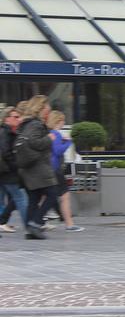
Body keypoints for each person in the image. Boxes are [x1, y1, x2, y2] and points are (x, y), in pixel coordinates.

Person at [17, 95, 58, 240]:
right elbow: (34, 142)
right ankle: (36, 223)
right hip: (38, 167)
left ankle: (30, 229)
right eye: (47, 106)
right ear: (41, 108)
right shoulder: (35, 124)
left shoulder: (26, 123)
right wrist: (49, 138)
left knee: (34, 198)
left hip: (29, 168)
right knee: (53, 194)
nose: (49, 109)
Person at [47, 110, 84, 232]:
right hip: (55, 169)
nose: (64, 123)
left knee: (44, 196)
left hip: (48, 168)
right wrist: (68, 141)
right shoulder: (56, 134)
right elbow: (58, 151)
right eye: (63, 120)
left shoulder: (48, 133)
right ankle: (69, 223)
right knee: (65, 196)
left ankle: (39, 221)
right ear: (59, 121)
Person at [0, 106, 29, 233]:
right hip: (8, 172)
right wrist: (16, 165)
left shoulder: (10, 132)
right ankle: (29, 226)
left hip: (5, 171)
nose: (19, 119)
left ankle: (2, 221)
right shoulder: (5, 133)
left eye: (19, 117)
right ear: (6, 119)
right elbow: (6, 153)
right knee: (21, 198)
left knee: (14, 198)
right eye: (15, 117)